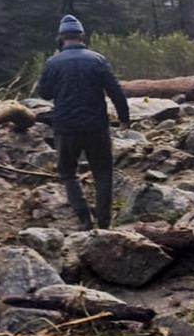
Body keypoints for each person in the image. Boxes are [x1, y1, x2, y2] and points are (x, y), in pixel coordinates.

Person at [38, 15, 130, 230]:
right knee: (103, 173)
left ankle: (84, 218)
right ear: (82, 36)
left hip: (66, 127)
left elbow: (45, 94)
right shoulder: (97, 59)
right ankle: (104, 223)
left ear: (61, 38)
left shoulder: (53, 63)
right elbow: (116, 91)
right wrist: (124, 118)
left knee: (68, 173)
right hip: (96, 126)